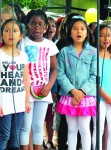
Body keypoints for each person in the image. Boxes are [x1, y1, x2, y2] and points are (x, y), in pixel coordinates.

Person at [18, 9, 59, 150]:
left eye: (40, 24)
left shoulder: (50, 45)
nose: (37, 27)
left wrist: (49, 86)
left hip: (43, 90)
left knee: (38, 126)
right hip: (26, 91)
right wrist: (25, 86)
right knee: (25, 126)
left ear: (46, 27)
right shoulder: (22, 43)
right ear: (27, 25)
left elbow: (54, 69)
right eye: (33, 24)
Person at [56, 15, 97, 150]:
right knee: (71, 129)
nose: (79, 32)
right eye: (75, 29)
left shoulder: (93, 52)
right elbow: (60, 74)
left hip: (86, 96)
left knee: (85, 129)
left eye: (82, 29)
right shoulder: (64, 52)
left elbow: (94, 75)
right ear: (70, 32)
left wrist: (82, 92)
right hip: (69, 96)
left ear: (87, 32)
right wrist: (73, 91)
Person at [0, 19, 31, 150]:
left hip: (19, 102)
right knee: (4, 135)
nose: (10, 34)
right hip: (3, 102)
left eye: (15, 31)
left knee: (14, 137)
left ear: (21, 35)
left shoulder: (23, 56)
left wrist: (27, 101)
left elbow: (26, 78)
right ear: (1, 34)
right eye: (7, 30)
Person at [92, 24, 111, 150]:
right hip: (99, 98)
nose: (106, 39)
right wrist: (105, 96)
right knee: (98, 129)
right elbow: (94, 79)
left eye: (108, 35)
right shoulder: (94, 55)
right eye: (102, 35)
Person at [43, 16, 58, 149]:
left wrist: (54, 89)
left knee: (50, 115)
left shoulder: (56, 44)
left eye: (53, 26)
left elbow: (56, 69)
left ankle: (50, 140)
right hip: (38, 85)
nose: (51, 28)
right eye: (49, 25)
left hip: (52, 85)